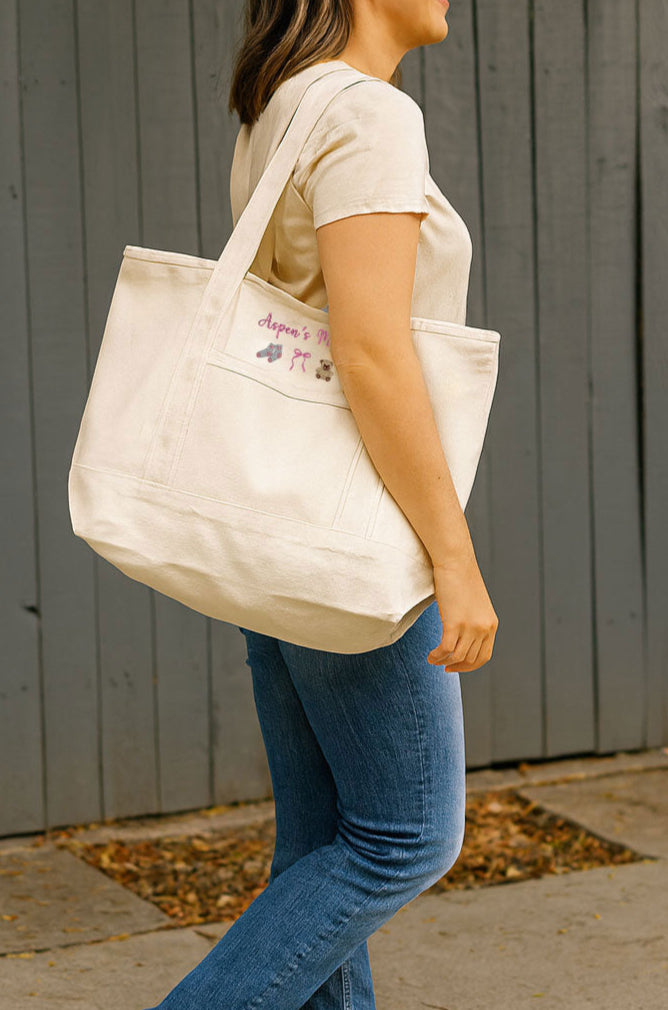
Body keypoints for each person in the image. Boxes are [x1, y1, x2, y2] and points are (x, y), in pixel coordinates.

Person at [144, 1, 498, 1007]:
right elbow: (371, 349)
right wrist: (452, 553)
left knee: (320, 846)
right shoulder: (368, 116)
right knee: (403, 840)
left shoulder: (281, 106)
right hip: (352, 535)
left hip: (281, 537)